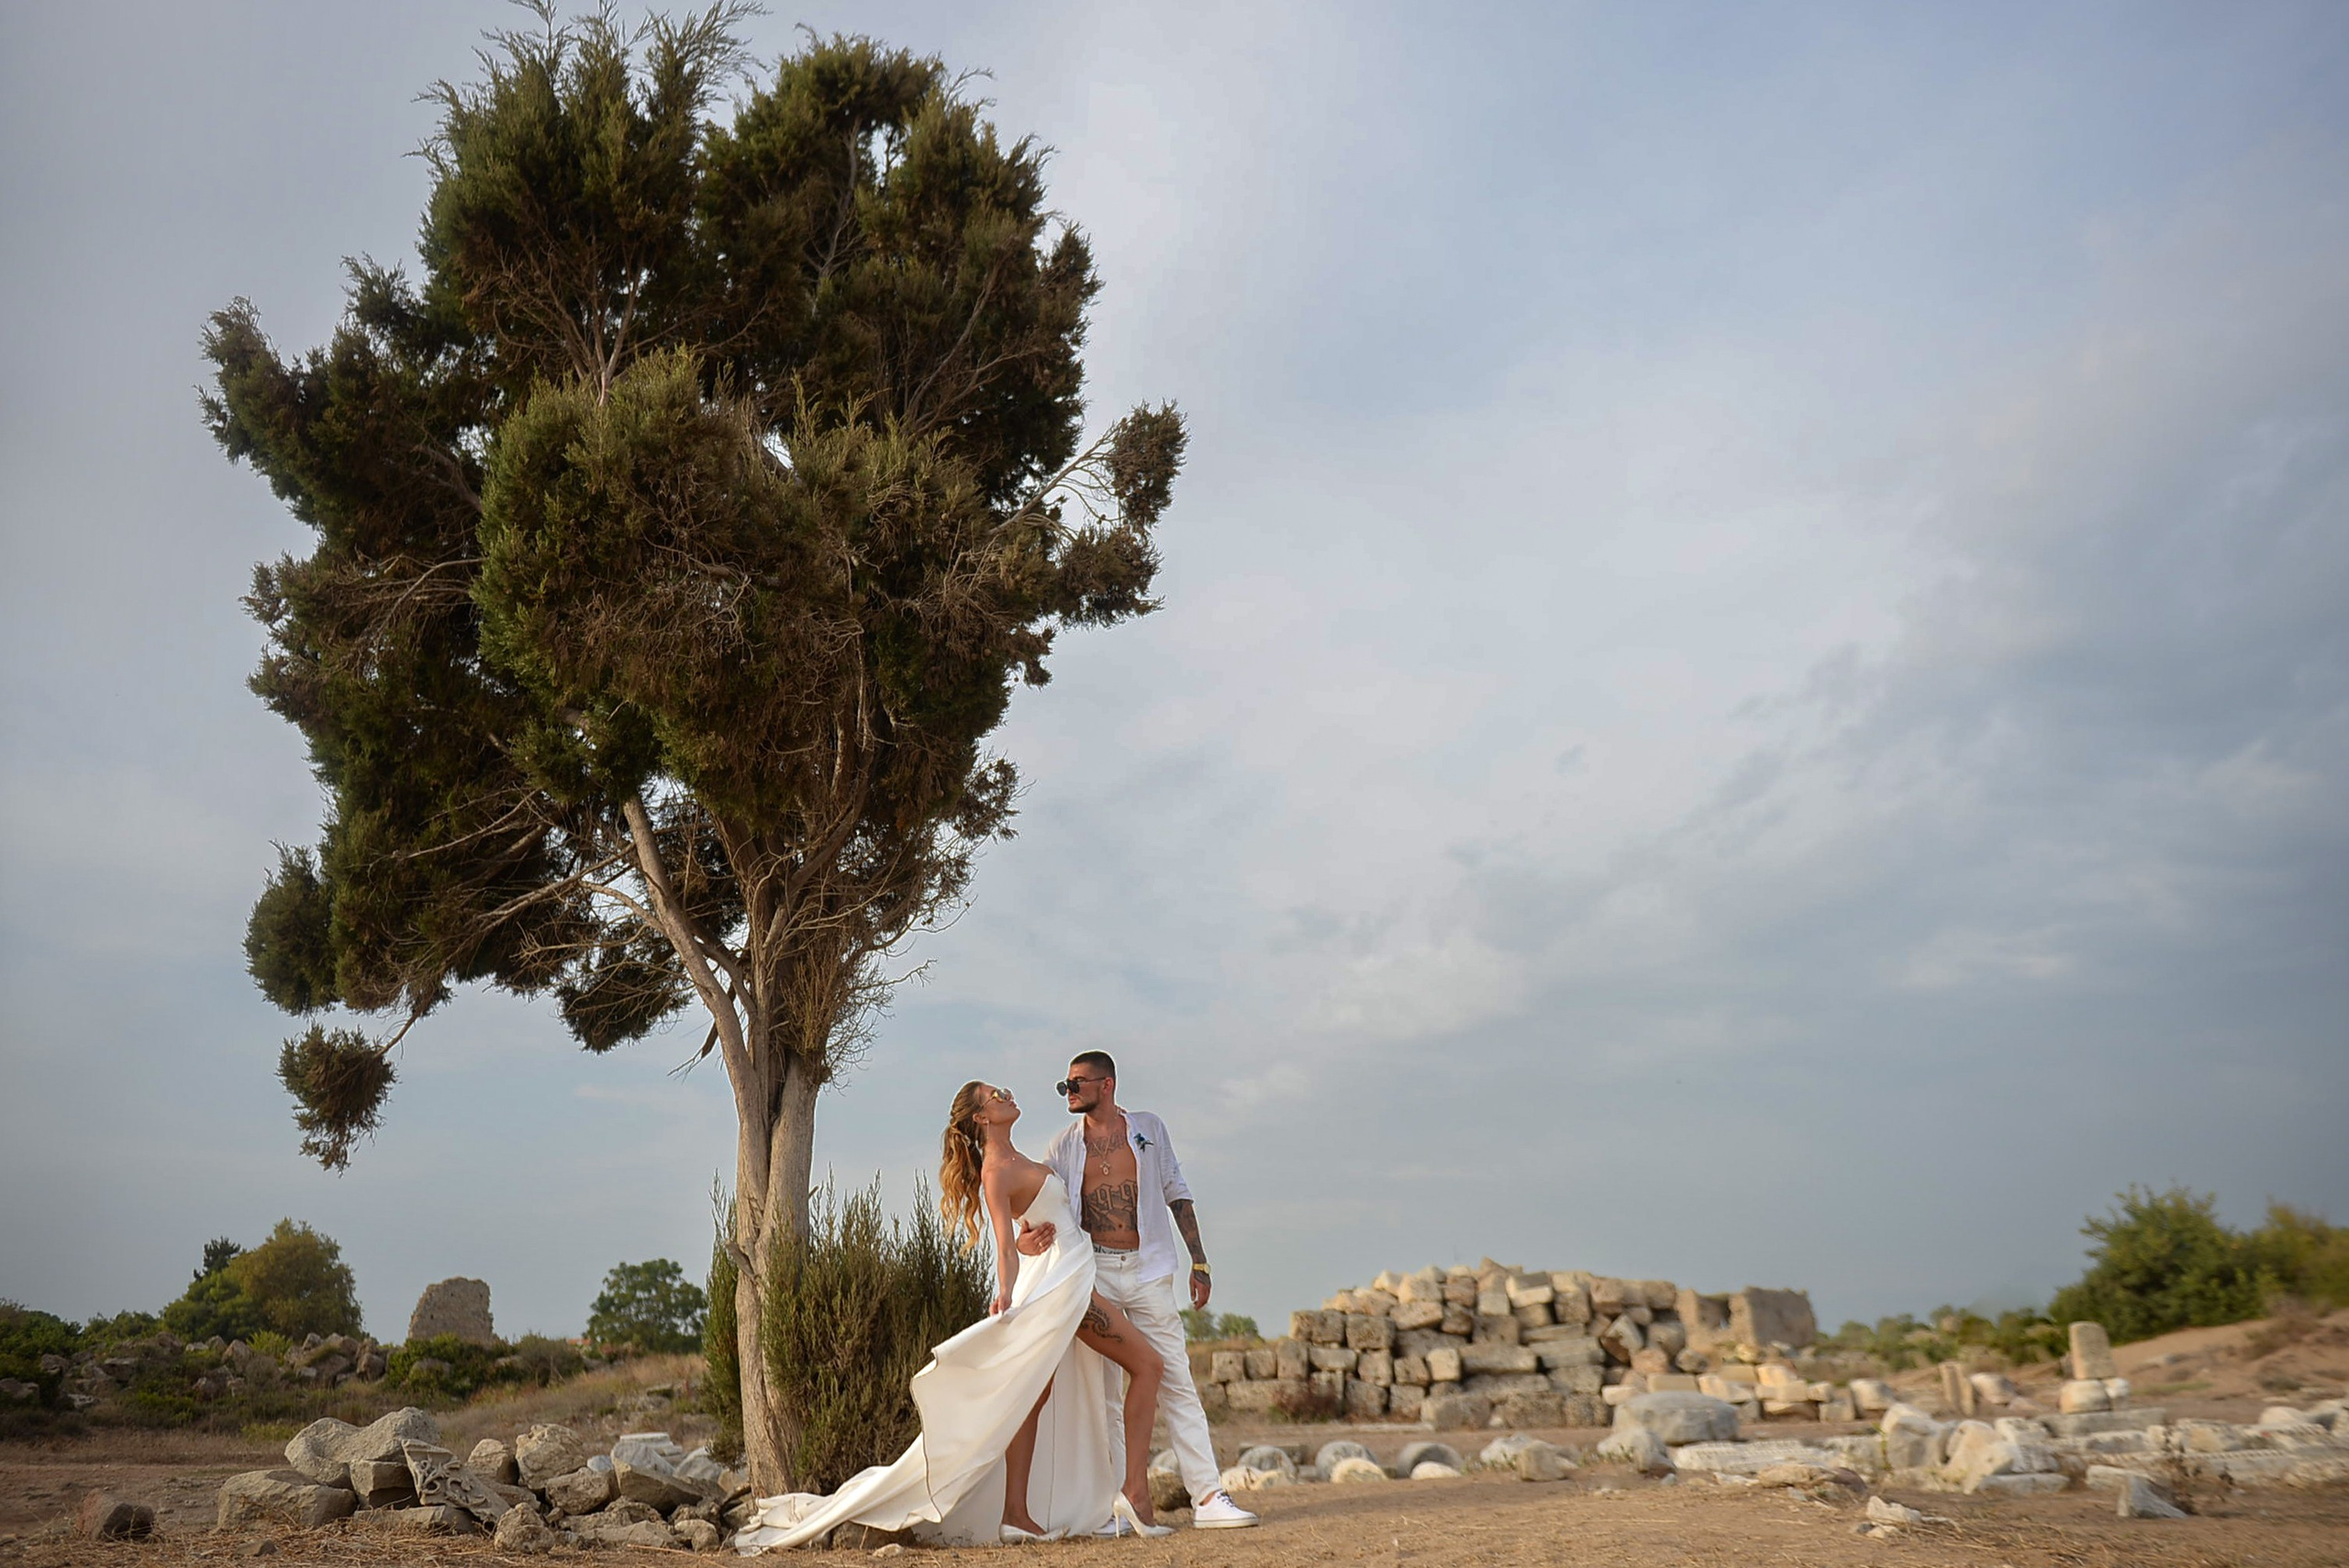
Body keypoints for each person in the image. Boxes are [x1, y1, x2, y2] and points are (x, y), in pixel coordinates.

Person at [732, 1081, 1173, 1551]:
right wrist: (1006, 1292)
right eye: (996, 1095)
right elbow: (1004, 1246)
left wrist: (1027, 1239)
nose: (1007, 1095)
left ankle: (1019, 1514)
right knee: (1145, 1366)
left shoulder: (1018, 1158)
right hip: (1062, 1287)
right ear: (981, 1118)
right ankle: (1130, 1496)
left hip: (1067, 1273)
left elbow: (1028, 1228)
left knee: (1033, 1393)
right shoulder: (996, 1171)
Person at [1027, 1051, 1261, 1532]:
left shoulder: (1149, 1129)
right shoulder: (1062, 1146)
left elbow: (1177, 1192)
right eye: (1065, 1085)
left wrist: (1200, 1261)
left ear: (1107, 1084)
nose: (1068, 1092)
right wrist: (1022, 1241)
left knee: (1175, 1376)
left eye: (1077, 1083)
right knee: (1104, 1394)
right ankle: (1116, 1507)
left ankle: (1208, 1496)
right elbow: (1038, 1203)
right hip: (1094, 1273)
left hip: (1148, 1269)